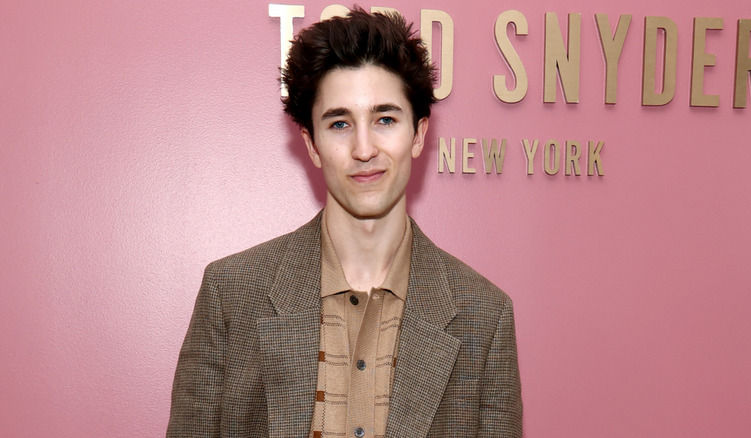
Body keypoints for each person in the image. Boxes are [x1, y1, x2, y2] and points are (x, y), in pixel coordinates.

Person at [168, 7, 522, 438]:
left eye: (385, 119)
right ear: (312, 145)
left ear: (418, 134)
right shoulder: (231, 295)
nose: (363, 148)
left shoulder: (484, 316)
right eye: (339, 123)